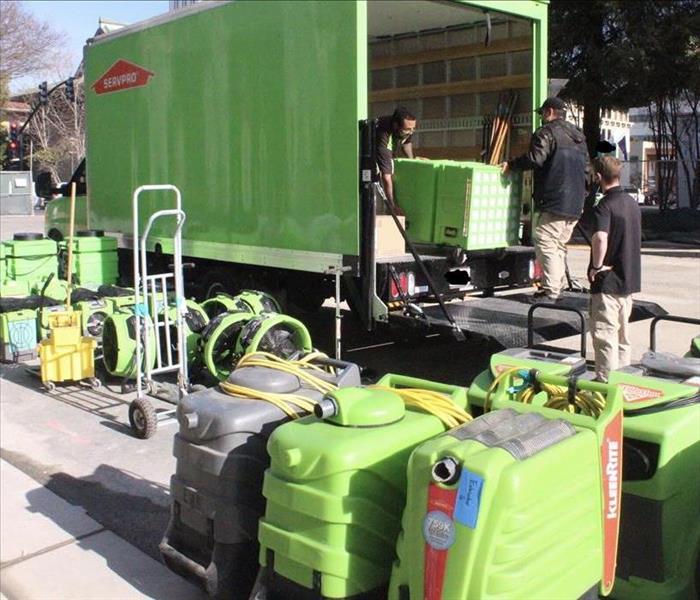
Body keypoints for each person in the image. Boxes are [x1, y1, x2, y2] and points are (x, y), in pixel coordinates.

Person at [501, 97, 590, 300]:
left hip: (554, 200)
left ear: (549, 112)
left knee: (544, 240)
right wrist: (583, 198)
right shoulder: (579, 137)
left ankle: (550, 290)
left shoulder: (546, 132)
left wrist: (512, 165)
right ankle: (555, 286)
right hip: (575, 202)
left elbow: (535, 158)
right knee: (558, 244)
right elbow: (587, 171)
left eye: (541, 113)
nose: (541, 117)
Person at [588, 155, 642, 382]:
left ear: (599, 176)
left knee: (605, 337)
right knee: (622, 337)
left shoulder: (605, 205)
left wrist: (597, 267)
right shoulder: (632, 203)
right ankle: (622, 383)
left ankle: (605, 386)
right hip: (628, 281)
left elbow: (601, 237)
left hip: (608, 283)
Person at [375, 106, 417, 214]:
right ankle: (389, 207)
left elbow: (406, 143)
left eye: (413, 128)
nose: (411, 132)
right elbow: (386, 176)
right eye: (408, 129)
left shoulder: (407, 129)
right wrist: (392, 206)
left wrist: (412, 161)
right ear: (395, 125)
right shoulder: (384, 134)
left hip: (388, 148)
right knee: (385, 175)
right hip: (369, 155)